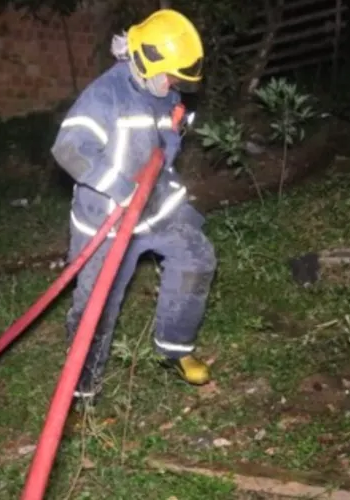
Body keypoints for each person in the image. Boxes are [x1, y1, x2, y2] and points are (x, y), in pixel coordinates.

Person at [49, 9, 217, 406]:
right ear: (144, 60)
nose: (174, 84)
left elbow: (164, 149)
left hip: (154, 212)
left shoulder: (166, 94)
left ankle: (174, 347)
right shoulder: (104, 96)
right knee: (97, 306)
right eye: (170, 75)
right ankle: (83, 388)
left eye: (178, 78)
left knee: (197, 256)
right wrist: (123, 190)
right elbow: (69, 149)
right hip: (106, 223)